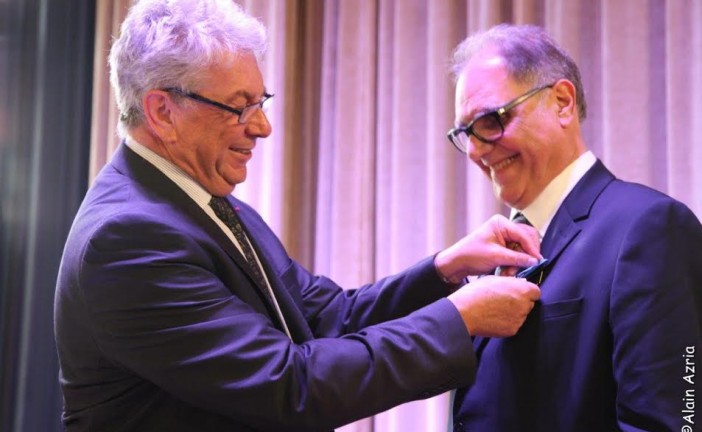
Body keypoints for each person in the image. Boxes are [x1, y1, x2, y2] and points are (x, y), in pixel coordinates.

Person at [53, 2, 543, 431]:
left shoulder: (208, 202)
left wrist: (445, 271)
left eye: (259, 102)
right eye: (239, 107)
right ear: (162, 112)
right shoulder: (127, 240)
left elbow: (327, 317)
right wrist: (459, 319)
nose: (262, 127)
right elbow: (291, 387)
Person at [447, 23, 702, 431]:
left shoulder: (648, 228)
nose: (476, 150)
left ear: (562, 103)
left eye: (492, 120)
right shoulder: (490, 256)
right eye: (465, 133)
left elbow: (672, 418)